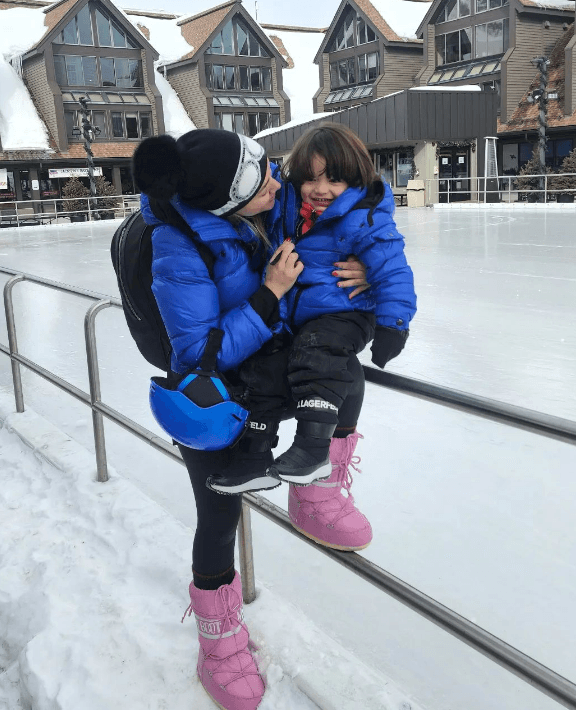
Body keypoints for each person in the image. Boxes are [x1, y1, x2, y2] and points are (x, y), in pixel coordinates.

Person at [132, 129, 368, 710]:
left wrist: (367, 269)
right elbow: (198, 355)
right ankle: (219, 642)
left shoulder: (261, 207)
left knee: (348, 379)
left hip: (270, 369)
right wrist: (269, 292)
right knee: (219, 515)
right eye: (261, 179)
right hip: (215, 398)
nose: (277, 182)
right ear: (228, 202)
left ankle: (315, 492)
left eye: (269, 169)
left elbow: (345, 213)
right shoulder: (179, 249)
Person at [207, 123, 416, 504]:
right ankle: (254, 456)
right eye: (311, 178)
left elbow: (393, 268)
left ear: (354, 178)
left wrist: (394, 325)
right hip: (296, 315)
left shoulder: (364, 215)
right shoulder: (286, 206)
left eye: (334, 179)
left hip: (345, 312)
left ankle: (313, 448)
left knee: (316, 355)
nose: (320, 190)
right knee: (264, 365)